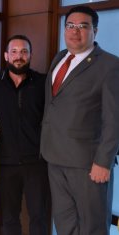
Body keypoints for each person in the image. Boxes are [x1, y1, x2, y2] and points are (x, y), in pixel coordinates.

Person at [40, 6, 119, 235]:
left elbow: (114, 119)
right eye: (70, 26)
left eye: (83, 26)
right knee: (65, 223)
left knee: (92, 226)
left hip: (88, 164)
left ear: (94, 30)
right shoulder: (59, 58)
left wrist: (104, 161)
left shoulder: (110, 66)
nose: (75, 32)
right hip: (54, 157)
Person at [0, 35, 49, 235]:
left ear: (30, 55)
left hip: (37, 164)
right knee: (9, 219)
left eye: (24, 52)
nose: (19, 56)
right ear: (6, 56)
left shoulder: (43, 83)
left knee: (39, 217)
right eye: (14, 52)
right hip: (5, 164)